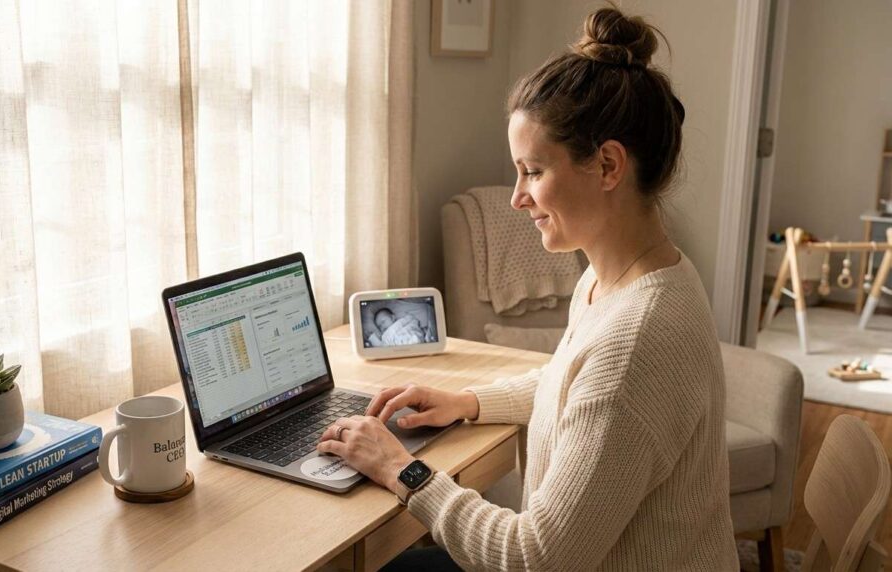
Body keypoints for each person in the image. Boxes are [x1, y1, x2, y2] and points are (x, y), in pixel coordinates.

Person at [316, 6, 739, 571]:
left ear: (608, 165)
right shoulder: (627, 277)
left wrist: (400, 468)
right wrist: (468, 402)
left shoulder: (640, 336)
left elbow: (533, 557)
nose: (518, 197)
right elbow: (576, 387)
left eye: (533, 171)